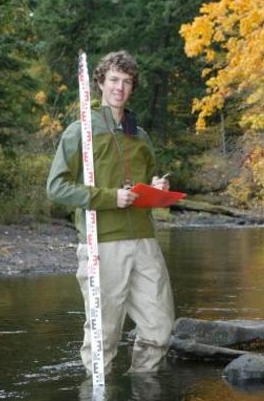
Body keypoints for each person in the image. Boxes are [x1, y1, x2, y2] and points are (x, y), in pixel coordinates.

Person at [46, 50, 174, 376]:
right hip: (102, 242)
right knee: (104, 334)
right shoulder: (81, 131)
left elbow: (142, 187)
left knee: (159, 327)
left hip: (144, 240)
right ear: (101, 82)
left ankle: (144, 388)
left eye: (127, 81)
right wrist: (108, 197)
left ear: (133, 87)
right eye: (114, 79)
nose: (120, 87)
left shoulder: (139, 135)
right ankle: (99, 392)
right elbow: (56, 188)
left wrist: (155, 188)